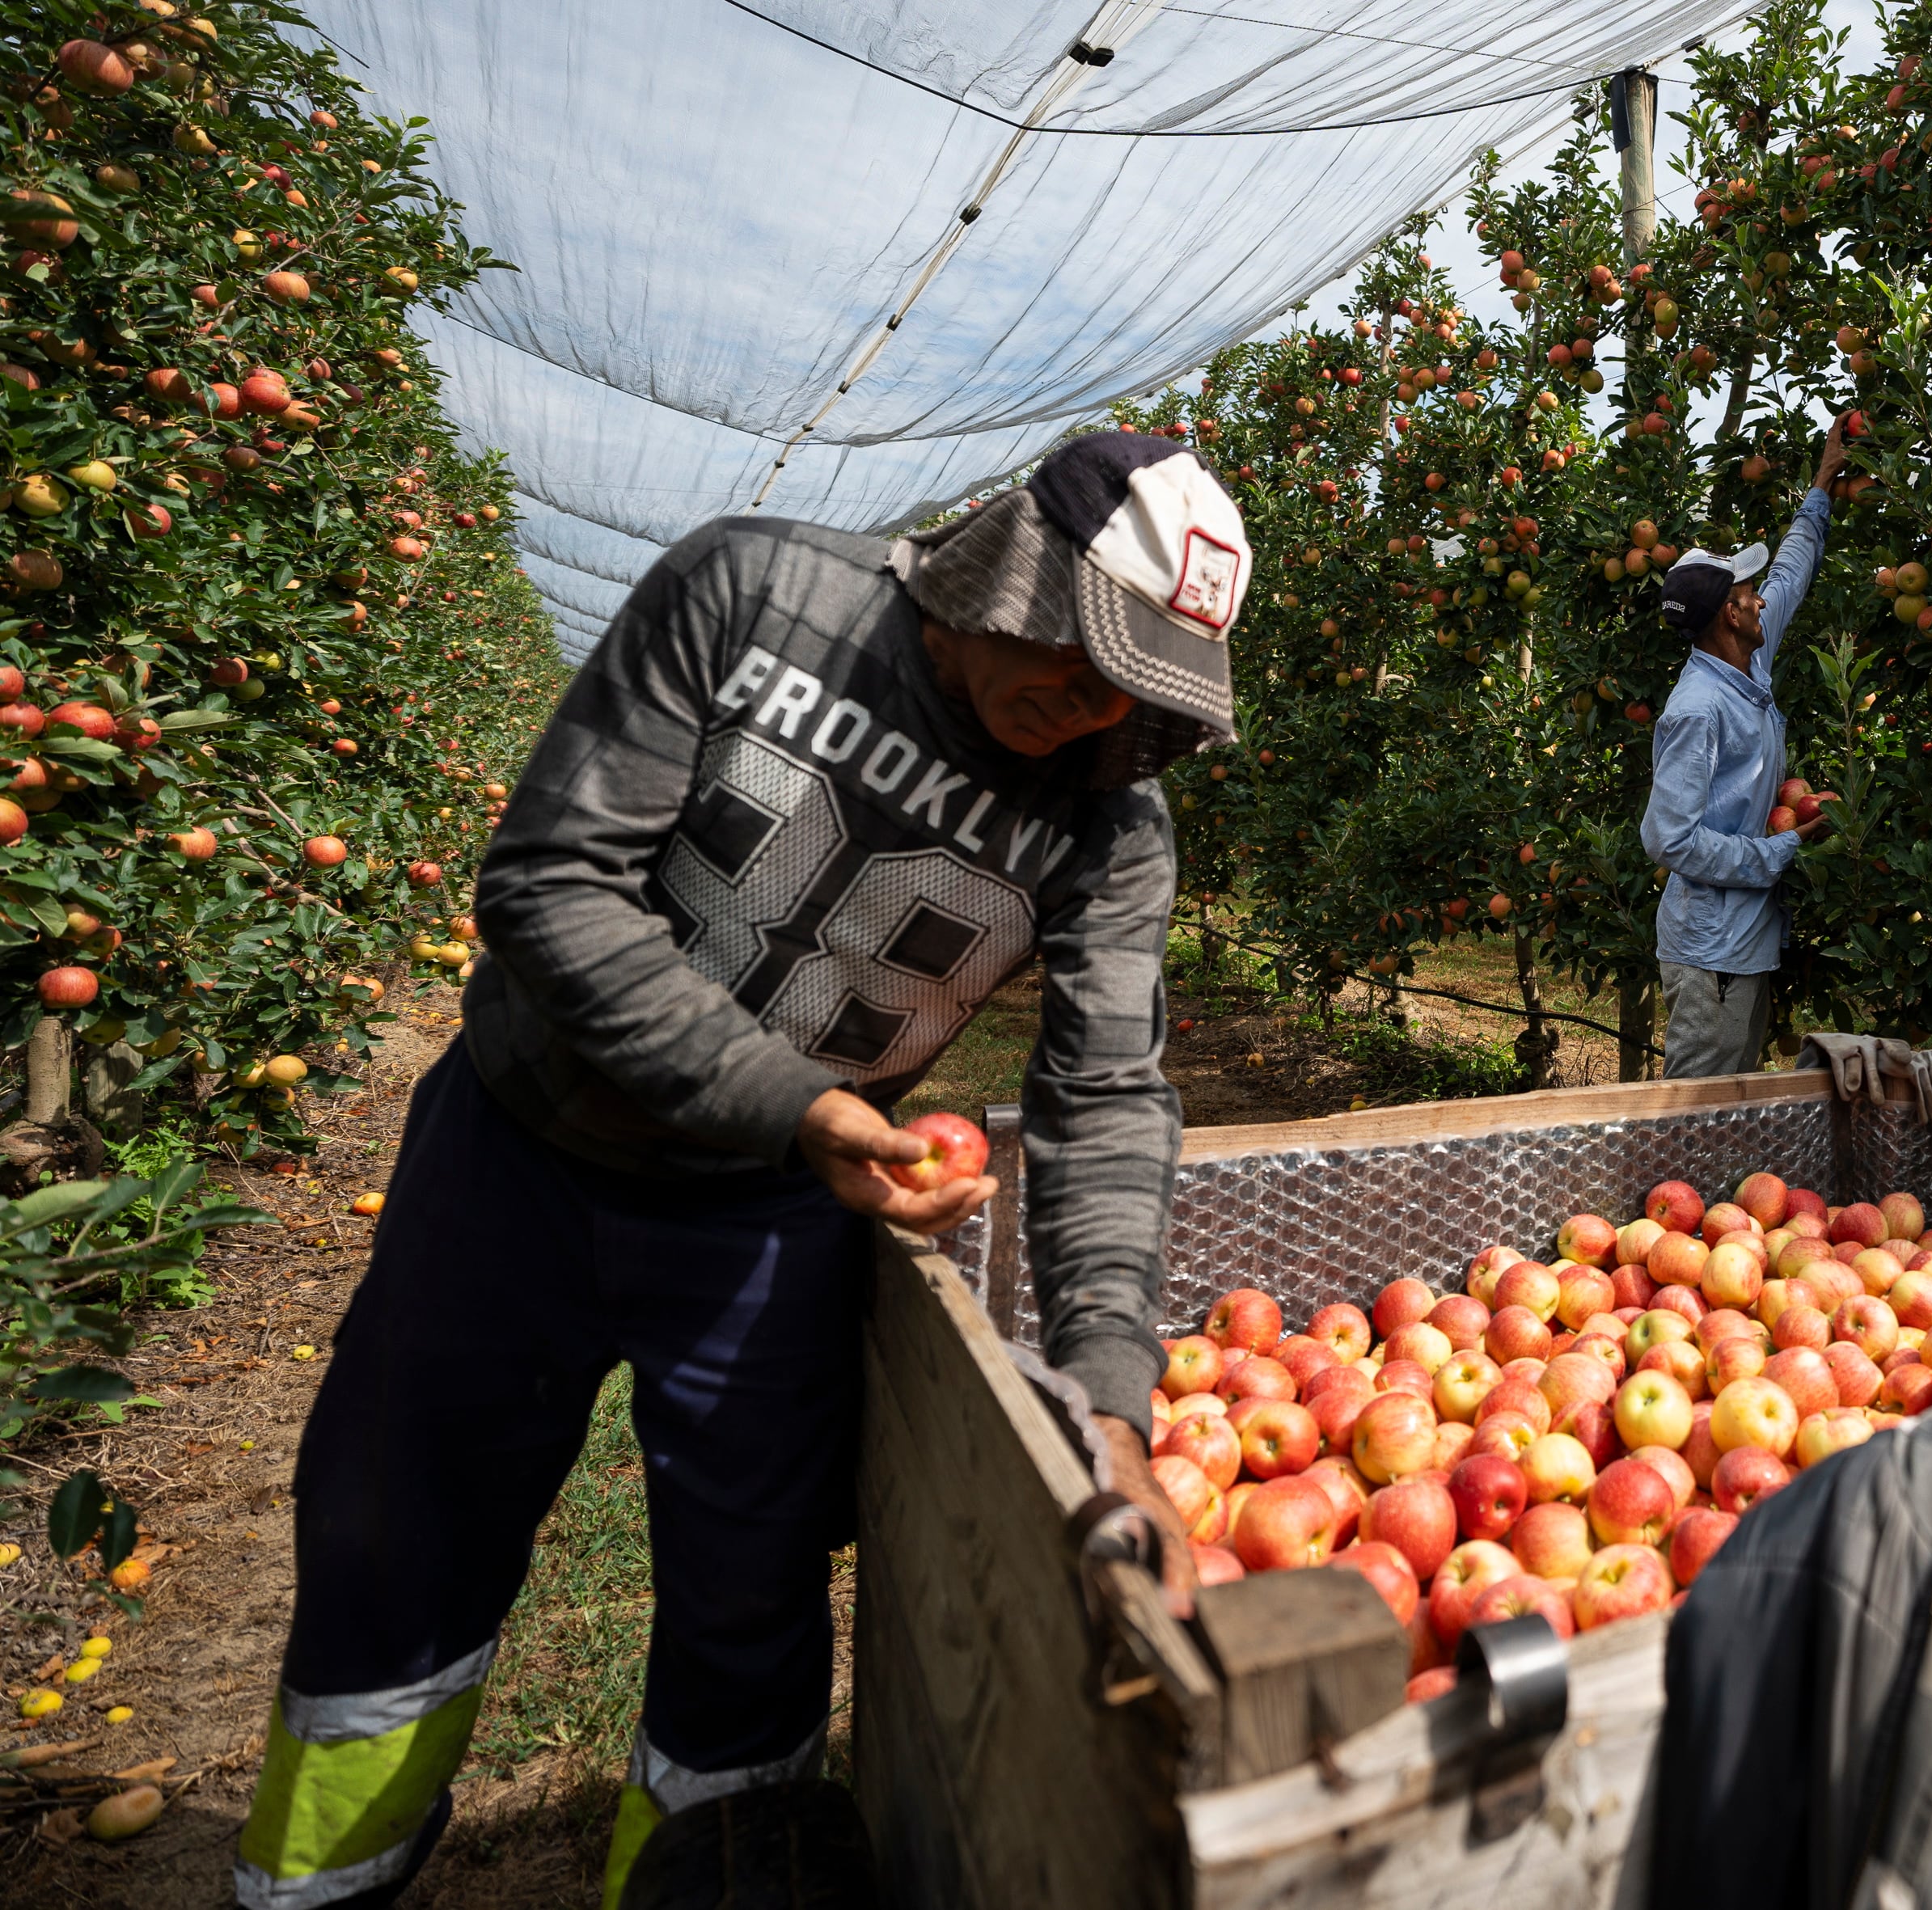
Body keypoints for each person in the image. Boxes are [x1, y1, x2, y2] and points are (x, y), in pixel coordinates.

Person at [233, 432, 1237, 1910]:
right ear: (1008, 573)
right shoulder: (754, 594)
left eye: (1138, 691)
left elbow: (1101, 1100)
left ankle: (694, 1885)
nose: (1094, 712)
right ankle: (314, 1886)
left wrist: (1109, 1414)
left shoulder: (1110, 814)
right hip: (522, 1157)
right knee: (402, 1531)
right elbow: (548, 884)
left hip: (764, 1230)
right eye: (1081, 663)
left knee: (749, 1604)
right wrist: (799, 1103)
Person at [1640, 429, 1850, 1079]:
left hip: (1743, 941)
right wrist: (1780, 850)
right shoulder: (1698, 709)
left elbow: (1789, 574)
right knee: (1698, 1105)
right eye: (1746, 594)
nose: (1761, 598)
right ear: (1730, 615)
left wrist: (1821, 488)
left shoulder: (1748, 658)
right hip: (1711, 950)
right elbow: (1667, 840)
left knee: (1731, 1100)